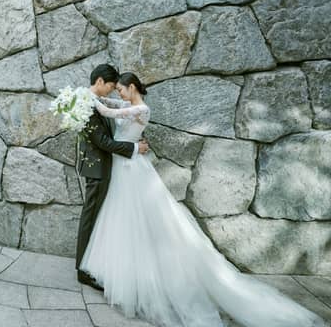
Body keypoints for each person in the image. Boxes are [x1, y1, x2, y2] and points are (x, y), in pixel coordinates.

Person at [80, 72, 327, 327]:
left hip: (130, 168)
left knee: (134, 217)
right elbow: (112, 105)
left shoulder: (141, 109)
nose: (118, 93)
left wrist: (84, 97)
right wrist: (95, 100)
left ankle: (138, 281)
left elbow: (108, 111)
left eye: (121, 89)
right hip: (123, 166)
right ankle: (122, 273)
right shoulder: (129, 104)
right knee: (121, 219)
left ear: (131, 87)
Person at [75, 64, 148, 290]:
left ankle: (94, 264)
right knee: (91, 217)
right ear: (99, 81)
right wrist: (134, 148)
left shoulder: (96, 101)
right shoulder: (87, 103)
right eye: (110, 86)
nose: (111, 90)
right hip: (97, 169)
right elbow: (102, 142)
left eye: (117, 88)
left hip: (108, 167)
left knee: (101, 218)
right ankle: (83, 269)